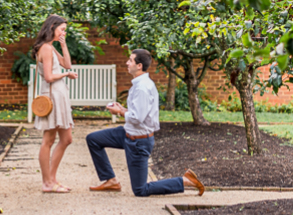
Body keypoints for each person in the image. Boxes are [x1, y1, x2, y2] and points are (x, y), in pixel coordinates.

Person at [86, 49, 205, 197]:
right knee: (93, 139)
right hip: (127, 134)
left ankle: (184, 181)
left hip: (139, 142)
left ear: (139, 65)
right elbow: (138, 112)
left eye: (130, 60)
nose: (127, 63)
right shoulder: (139, 84)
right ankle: (110, 181)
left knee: (140, 190)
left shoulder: (142, 87)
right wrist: (123, 108)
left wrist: (120, 112)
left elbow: (137, 118)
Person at [32, 14, 78, 193]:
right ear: (52, 27)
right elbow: (50, 77)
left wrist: (63, 44)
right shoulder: (45, 48)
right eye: (62, 29)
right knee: (48, 140)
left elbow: (67, 64)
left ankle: (52, 179)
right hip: (52, 98)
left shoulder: (51, 47)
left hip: (60, 97)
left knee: (66, 139)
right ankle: (47, 183)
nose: (63, 32)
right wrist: (67, 76)